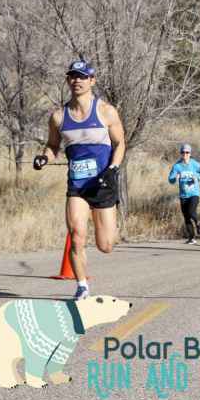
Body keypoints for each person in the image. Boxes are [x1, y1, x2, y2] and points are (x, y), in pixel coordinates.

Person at [33, 60, 125, 300]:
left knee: (105, 245)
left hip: (103, 183)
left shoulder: (106, 111)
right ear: (68, 80)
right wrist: (44, 158)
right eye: (73, 76)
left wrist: (113, 168)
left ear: (92, 81)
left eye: (82, 76)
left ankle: (110, 223)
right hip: (77, 186)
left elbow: (120, 143)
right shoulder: (58, 116)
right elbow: (53, 146)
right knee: (76, 235)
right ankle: (82, 286)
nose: (77, 80)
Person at [168, 144, 200, 244]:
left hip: (194, 193)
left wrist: (197, 177)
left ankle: (198, 224)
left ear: (190, 154)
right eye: (183, 152)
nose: (185, 154)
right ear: (181, 153)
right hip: (183, 195)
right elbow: (170, 179)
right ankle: (191, 238)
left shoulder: (194, 164)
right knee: (186, 217)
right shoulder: (177, 166)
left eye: (187, 152)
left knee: (191, 211)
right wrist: (174, 178)